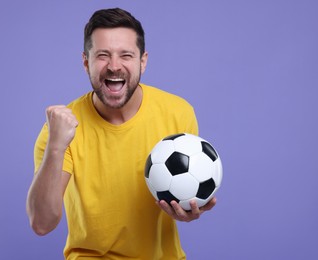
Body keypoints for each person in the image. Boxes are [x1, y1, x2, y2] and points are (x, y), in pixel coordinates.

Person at [26, 7, 216, 259]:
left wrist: (189, 208)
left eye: (126, 55)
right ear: (86, 62)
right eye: (103, 55)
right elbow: (42, 223)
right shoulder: (61, 128)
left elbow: (183, 191)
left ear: (142, 61)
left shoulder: (178, 113)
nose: (114, 66)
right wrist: (57, 146)